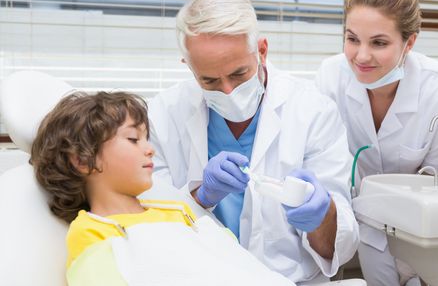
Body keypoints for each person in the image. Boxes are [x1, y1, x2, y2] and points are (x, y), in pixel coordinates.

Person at [148, 0, 360, 283]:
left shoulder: (313, 111)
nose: (227, 91)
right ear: (189, 66)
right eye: (209, 80)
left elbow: (340, 248)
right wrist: (199, 196)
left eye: (238, 74)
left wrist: (322, 217)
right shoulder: (163, 114)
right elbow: (149, 225)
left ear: (262, 50)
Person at [31, 91, 294, 286]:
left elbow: (230, 260)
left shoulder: (177, 210)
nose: (150, 149)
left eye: (146, 138)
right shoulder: (92, 229)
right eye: (133, 139)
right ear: (83, 160)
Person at [316, 0, 438, 286]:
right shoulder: (330, 76)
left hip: (423, 232)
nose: (361, 56)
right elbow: (323, 159)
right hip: (365, 224)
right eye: (352, 39)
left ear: (410, 42)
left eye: (379, 42)